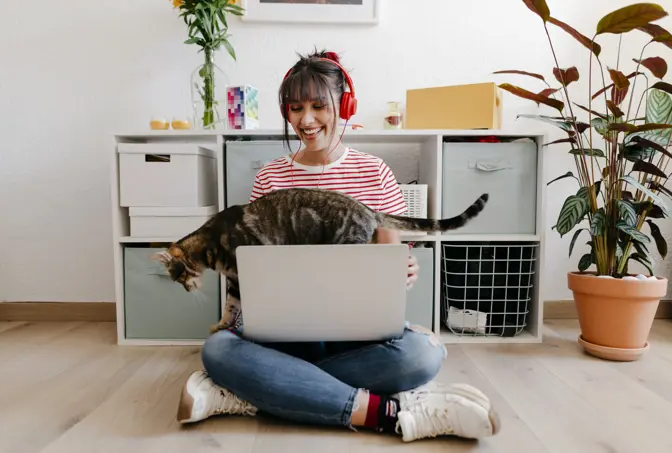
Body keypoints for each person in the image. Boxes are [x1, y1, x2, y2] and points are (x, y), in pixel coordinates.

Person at [175, 49, 500, 442]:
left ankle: (257, 392)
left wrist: (403, 271)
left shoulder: (375, 171)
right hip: (286, 335)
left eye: (318, 106)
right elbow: (254, 271)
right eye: (295, 108)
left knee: (424, 353)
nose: (305, 120)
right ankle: (389, 412)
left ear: (343, 106)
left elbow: (394, 264)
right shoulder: (270, 178)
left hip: (355, 333)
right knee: (218, 351)